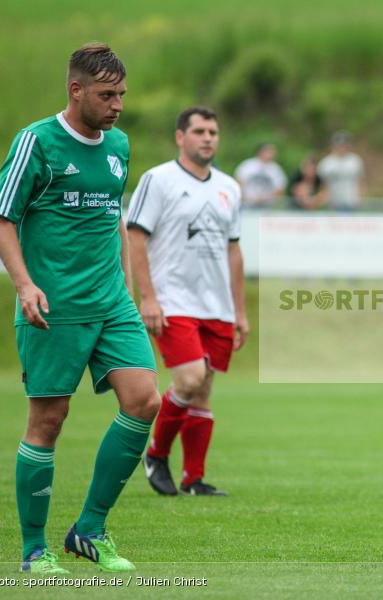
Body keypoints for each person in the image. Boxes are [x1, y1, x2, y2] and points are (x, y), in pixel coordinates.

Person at [0, 43, 159, 574]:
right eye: (107, 95)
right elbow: (2, 219)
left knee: (144, 401)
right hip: (53, 305)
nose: (117, 106)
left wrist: (130, 290)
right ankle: (34, 550)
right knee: (49, 420)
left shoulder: (120, 145)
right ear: (76, 90)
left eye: (122, 96)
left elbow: (115, 220)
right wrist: (24, 286)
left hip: (111, 302)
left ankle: (89, 529)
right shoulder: (35, 142)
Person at [127, 107, 249, 497]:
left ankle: (193, 479)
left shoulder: (230, 186)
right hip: (173, 300)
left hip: (217, 306)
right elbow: (135, 237)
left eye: (213, 131)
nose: (208, 137)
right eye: (199, 131)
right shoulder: (158, 180)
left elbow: (234, 251)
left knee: (205, 388)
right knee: (190, 378)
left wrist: (240, 312)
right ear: (181, 137)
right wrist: (147, 297)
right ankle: (156, 453)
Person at [317, 130, 364, 210]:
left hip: (351, 202)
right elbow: (321, 184)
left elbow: (361, 181)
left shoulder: (355, 161)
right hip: (332, 204)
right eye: (339, 144)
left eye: (344, 144)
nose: (342, 147)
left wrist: (362, 197)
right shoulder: (326, 163)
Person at [234, 142, 287, 209]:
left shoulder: (276, 169)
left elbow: (280, 189)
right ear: (260, 152)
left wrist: (265, 199)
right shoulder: (247, 166)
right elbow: (238, 183)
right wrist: (248, 198)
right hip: (247, 206)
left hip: (268, 208)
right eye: (269, 151)